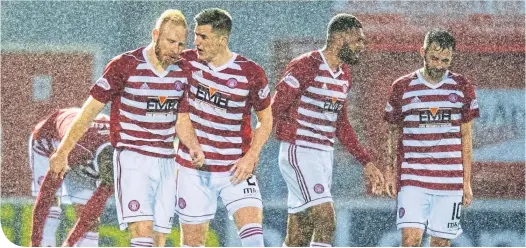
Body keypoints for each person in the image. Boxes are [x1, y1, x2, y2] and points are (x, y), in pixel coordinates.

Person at [31, 9, 204, 247]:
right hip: (124, 156)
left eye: (180, 44)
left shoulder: (184, 67)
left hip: (164, 158)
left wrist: (194, 146)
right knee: (139, 229)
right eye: (170, 41)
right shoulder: (125, 65)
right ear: (155, 35)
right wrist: (61, 152)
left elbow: (182, 117)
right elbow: (89, 110)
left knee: (157, 236)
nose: (175, 49)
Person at [271, 13, 385, 247]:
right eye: (358, 40)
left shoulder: (344, 76)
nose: (362, 46)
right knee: (326, 219)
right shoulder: (306, 65)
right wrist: (259, 147)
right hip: (299, 151)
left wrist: (366, 162)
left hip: (323, 155)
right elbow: (274, 107)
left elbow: (341, 125)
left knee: (298, 235)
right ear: (339, 37)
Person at [174, 8, 272, 247]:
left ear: (222, 40)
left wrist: (251, 156)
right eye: (195, 35)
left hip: (236, 170)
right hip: (192, 169)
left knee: (254, 239)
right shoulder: (185, 62)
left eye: (203, 37)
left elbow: (266, 120)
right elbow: (180, 116)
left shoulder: (251, 72)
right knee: (192, 243)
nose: (196, 42)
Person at [383, 29, 479, 247]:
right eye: (434, 58)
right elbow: (392, 132)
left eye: (445, 60)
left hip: (449, 180)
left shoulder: (462, 87)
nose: (439, 65)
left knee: (440, 243)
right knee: (410, 240)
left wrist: (466, 182)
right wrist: (390, 171)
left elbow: (466, 136)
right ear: (422, 52)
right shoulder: (402, 87)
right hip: (413, 177)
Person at [29, 107, 112, 247]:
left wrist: (69, 243)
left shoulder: (122, 165)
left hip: (88, 149)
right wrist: (35, 241)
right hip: (50, 142)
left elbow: (90, 214)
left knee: (91, 221)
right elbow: (45, 196)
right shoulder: (75, 150)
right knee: (51, 203)